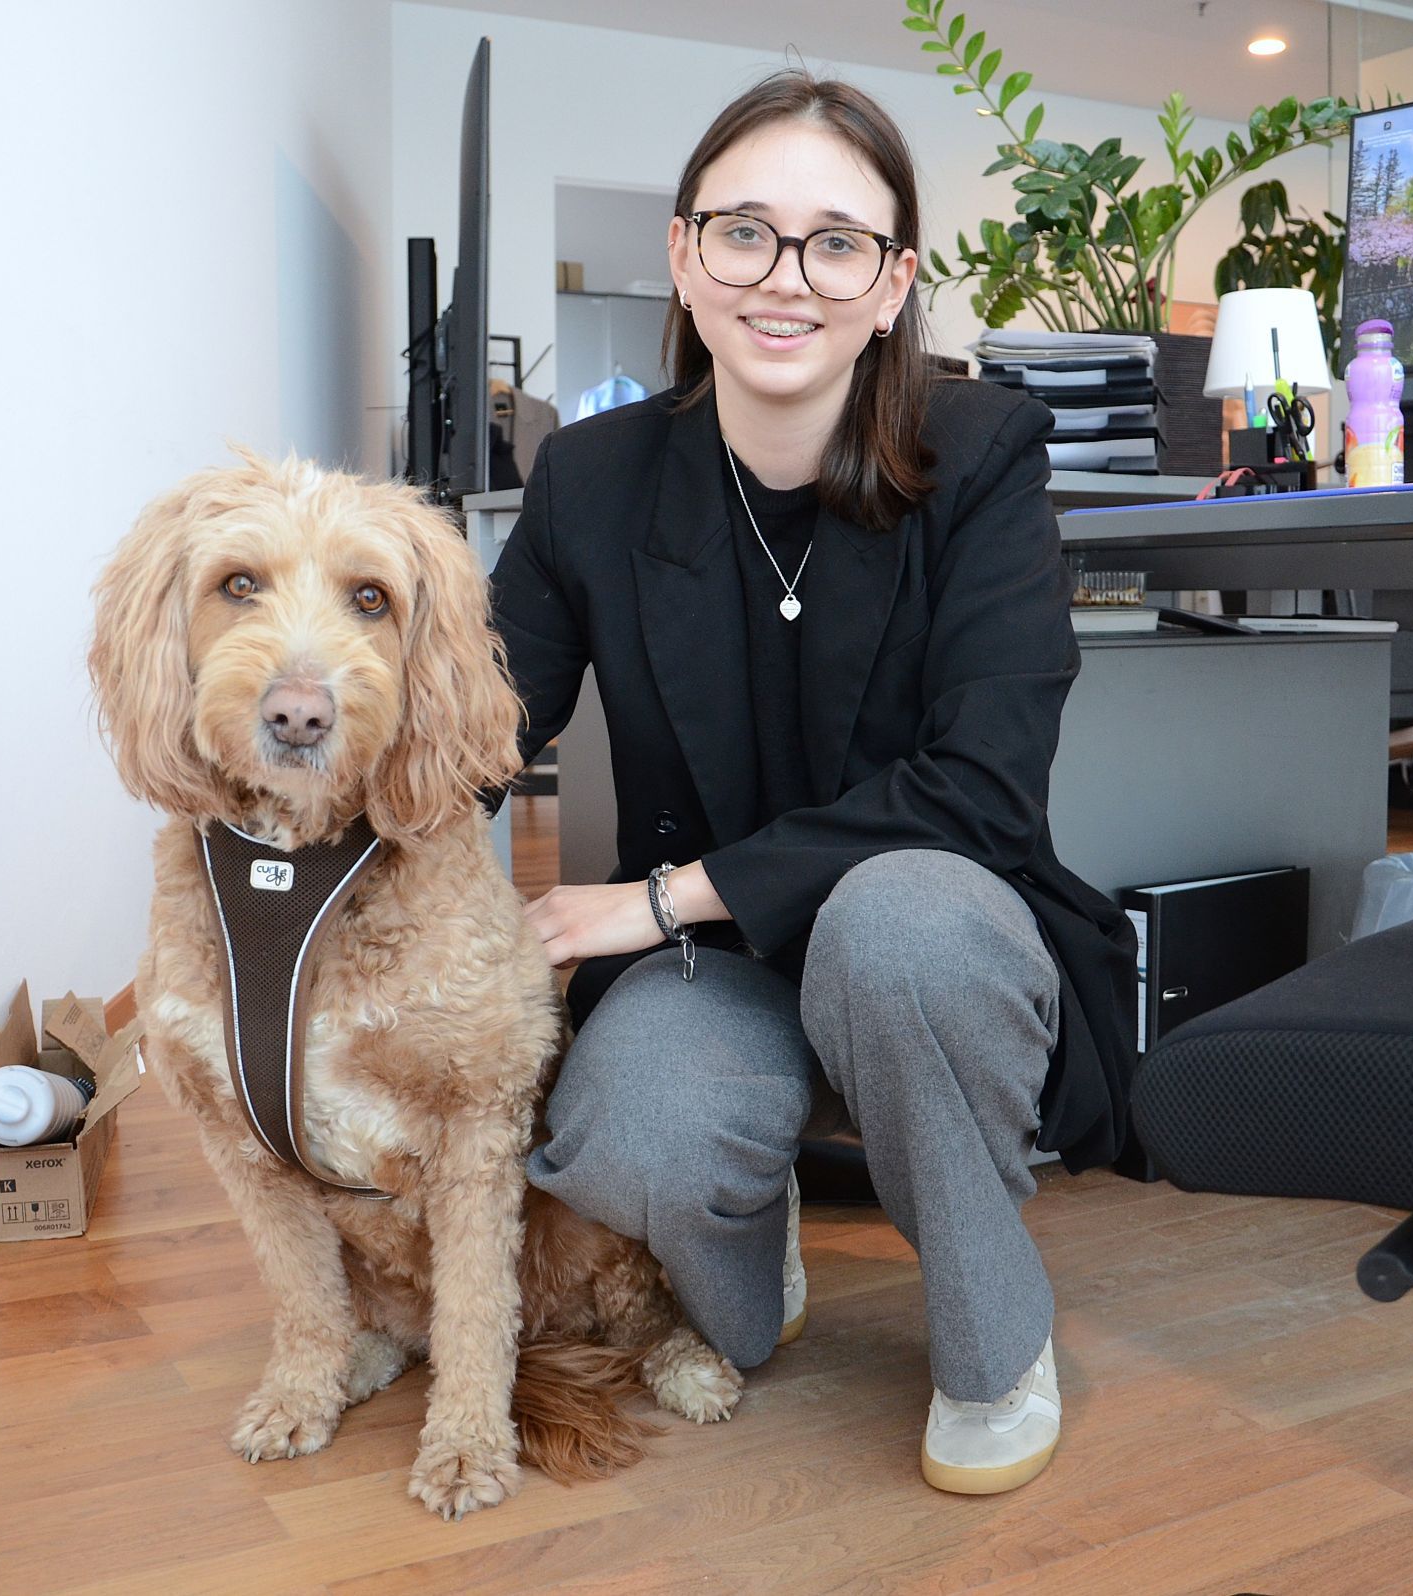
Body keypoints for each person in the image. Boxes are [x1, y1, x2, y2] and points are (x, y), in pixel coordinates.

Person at [487, 69, 1137, 1496]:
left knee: (895, 925)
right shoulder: (592, 479)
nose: (788, 279)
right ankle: (748, 1211)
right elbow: (476, 726)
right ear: (684, 253)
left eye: (838, 242)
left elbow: (978, 789)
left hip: (928, 929)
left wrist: (650, 903)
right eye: (746, 233)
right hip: (714, 968)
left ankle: (993, 1336)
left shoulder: (982, 455)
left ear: (894, 283)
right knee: (629, 1135)